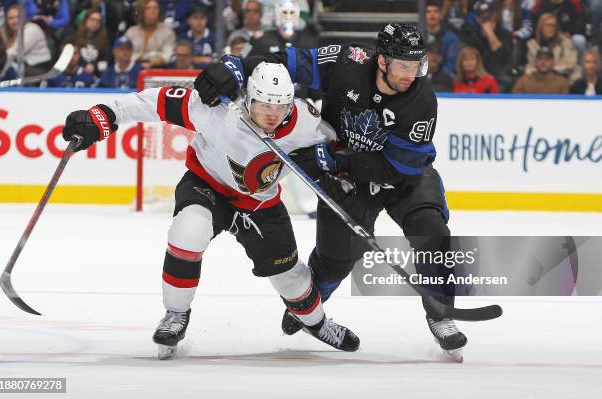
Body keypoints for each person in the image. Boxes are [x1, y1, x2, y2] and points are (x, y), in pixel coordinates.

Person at [193, 23, 471, 360]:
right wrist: (236, 65)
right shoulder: (346, 61)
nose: (410, 75)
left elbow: (399, 168)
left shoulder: (421, 99)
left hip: (403, 178)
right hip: (345, 177)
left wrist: (336, 159)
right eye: (402, 66)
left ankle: (441, 314)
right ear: (381, 60)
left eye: (416, 66)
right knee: (335, 259)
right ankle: (310, 303)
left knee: (432, 230)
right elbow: (284, 63)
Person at [61, 61, 360, 359]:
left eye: (280, 107)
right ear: (249, 98)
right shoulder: (215, 108)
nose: (272, 114)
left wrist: (341, 176)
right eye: (264, 105)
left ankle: (317, 323)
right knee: (188, 231)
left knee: (291, 278)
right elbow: (151, 103)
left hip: (260, 204)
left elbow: (339, 150)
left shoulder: (306, 122)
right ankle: (175, 315)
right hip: (207, 187)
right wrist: (102, 116)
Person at [524, 12, 580, 82]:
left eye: (553, 26)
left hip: (561, 77)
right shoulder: (532, 44)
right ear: (541, 27)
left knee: (577, 73)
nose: (550, 28)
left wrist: (550, 70)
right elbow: (531, 65)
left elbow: (570, 64)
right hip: (539, 78)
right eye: (548, 25)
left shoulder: (565, 41)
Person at [125, 0, 175, 69]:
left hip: (159, 69)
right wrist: (140, 58)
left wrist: (152, 62)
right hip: (134, 69)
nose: (153, 11)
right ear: (141, 11)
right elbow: (126, 54)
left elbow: (167, 55)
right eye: (148, 8)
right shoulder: (131, 32)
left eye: (155, 8)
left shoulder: (167, 32)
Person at [425, 0, 461, 75]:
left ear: (440, 15)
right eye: (428, 12)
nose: (432, 14)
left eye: (435, 11)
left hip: (443, 79)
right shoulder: (415, 36)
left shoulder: (451, 38)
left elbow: (451, 64)